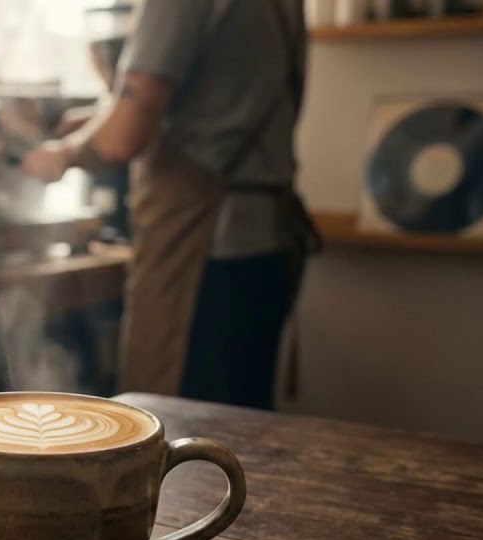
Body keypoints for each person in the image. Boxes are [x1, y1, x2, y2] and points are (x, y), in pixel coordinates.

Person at [22, 0, 316, 410]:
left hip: (203, 254)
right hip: (266, 248)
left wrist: (59, 153)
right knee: (241, 436)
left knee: (179, 431)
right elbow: (210, 100)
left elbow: (126, 132)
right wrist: (95, 119)